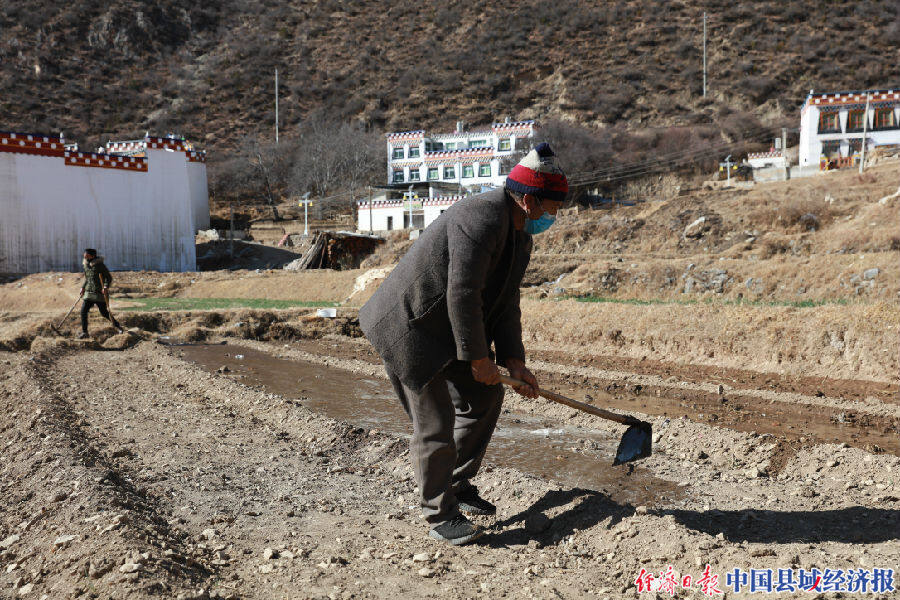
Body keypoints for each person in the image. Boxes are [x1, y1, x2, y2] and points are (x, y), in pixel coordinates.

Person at [359, 143, 568, 545]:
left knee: (485, 399)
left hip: (450, 329)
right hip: (413, 328)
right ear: (527, 200)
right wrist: (476, 358)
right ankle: (439, 513)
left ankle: (455, 483)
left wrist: (512, 360)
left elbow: (506, 302)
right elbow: (462, 293)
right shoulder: (480, 216)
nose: (553, 217)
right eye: (552, 208)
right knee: (435, 423)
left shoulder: (520, 236)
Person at [79, 248, 122, 338]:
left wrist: (105, 286)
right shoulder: (86, 265)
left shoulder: (100, 265)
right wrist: (83, 287)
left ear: (93, 256)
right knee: (83, 311)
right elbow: (87, 278)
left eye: (87, 255)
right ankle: (84, 332)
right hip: (89, 293)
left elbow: (108, 278)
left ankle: (118, 326)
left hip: (99, 293)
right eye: (84, 255)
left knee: (104, 313)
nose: (85, 256)